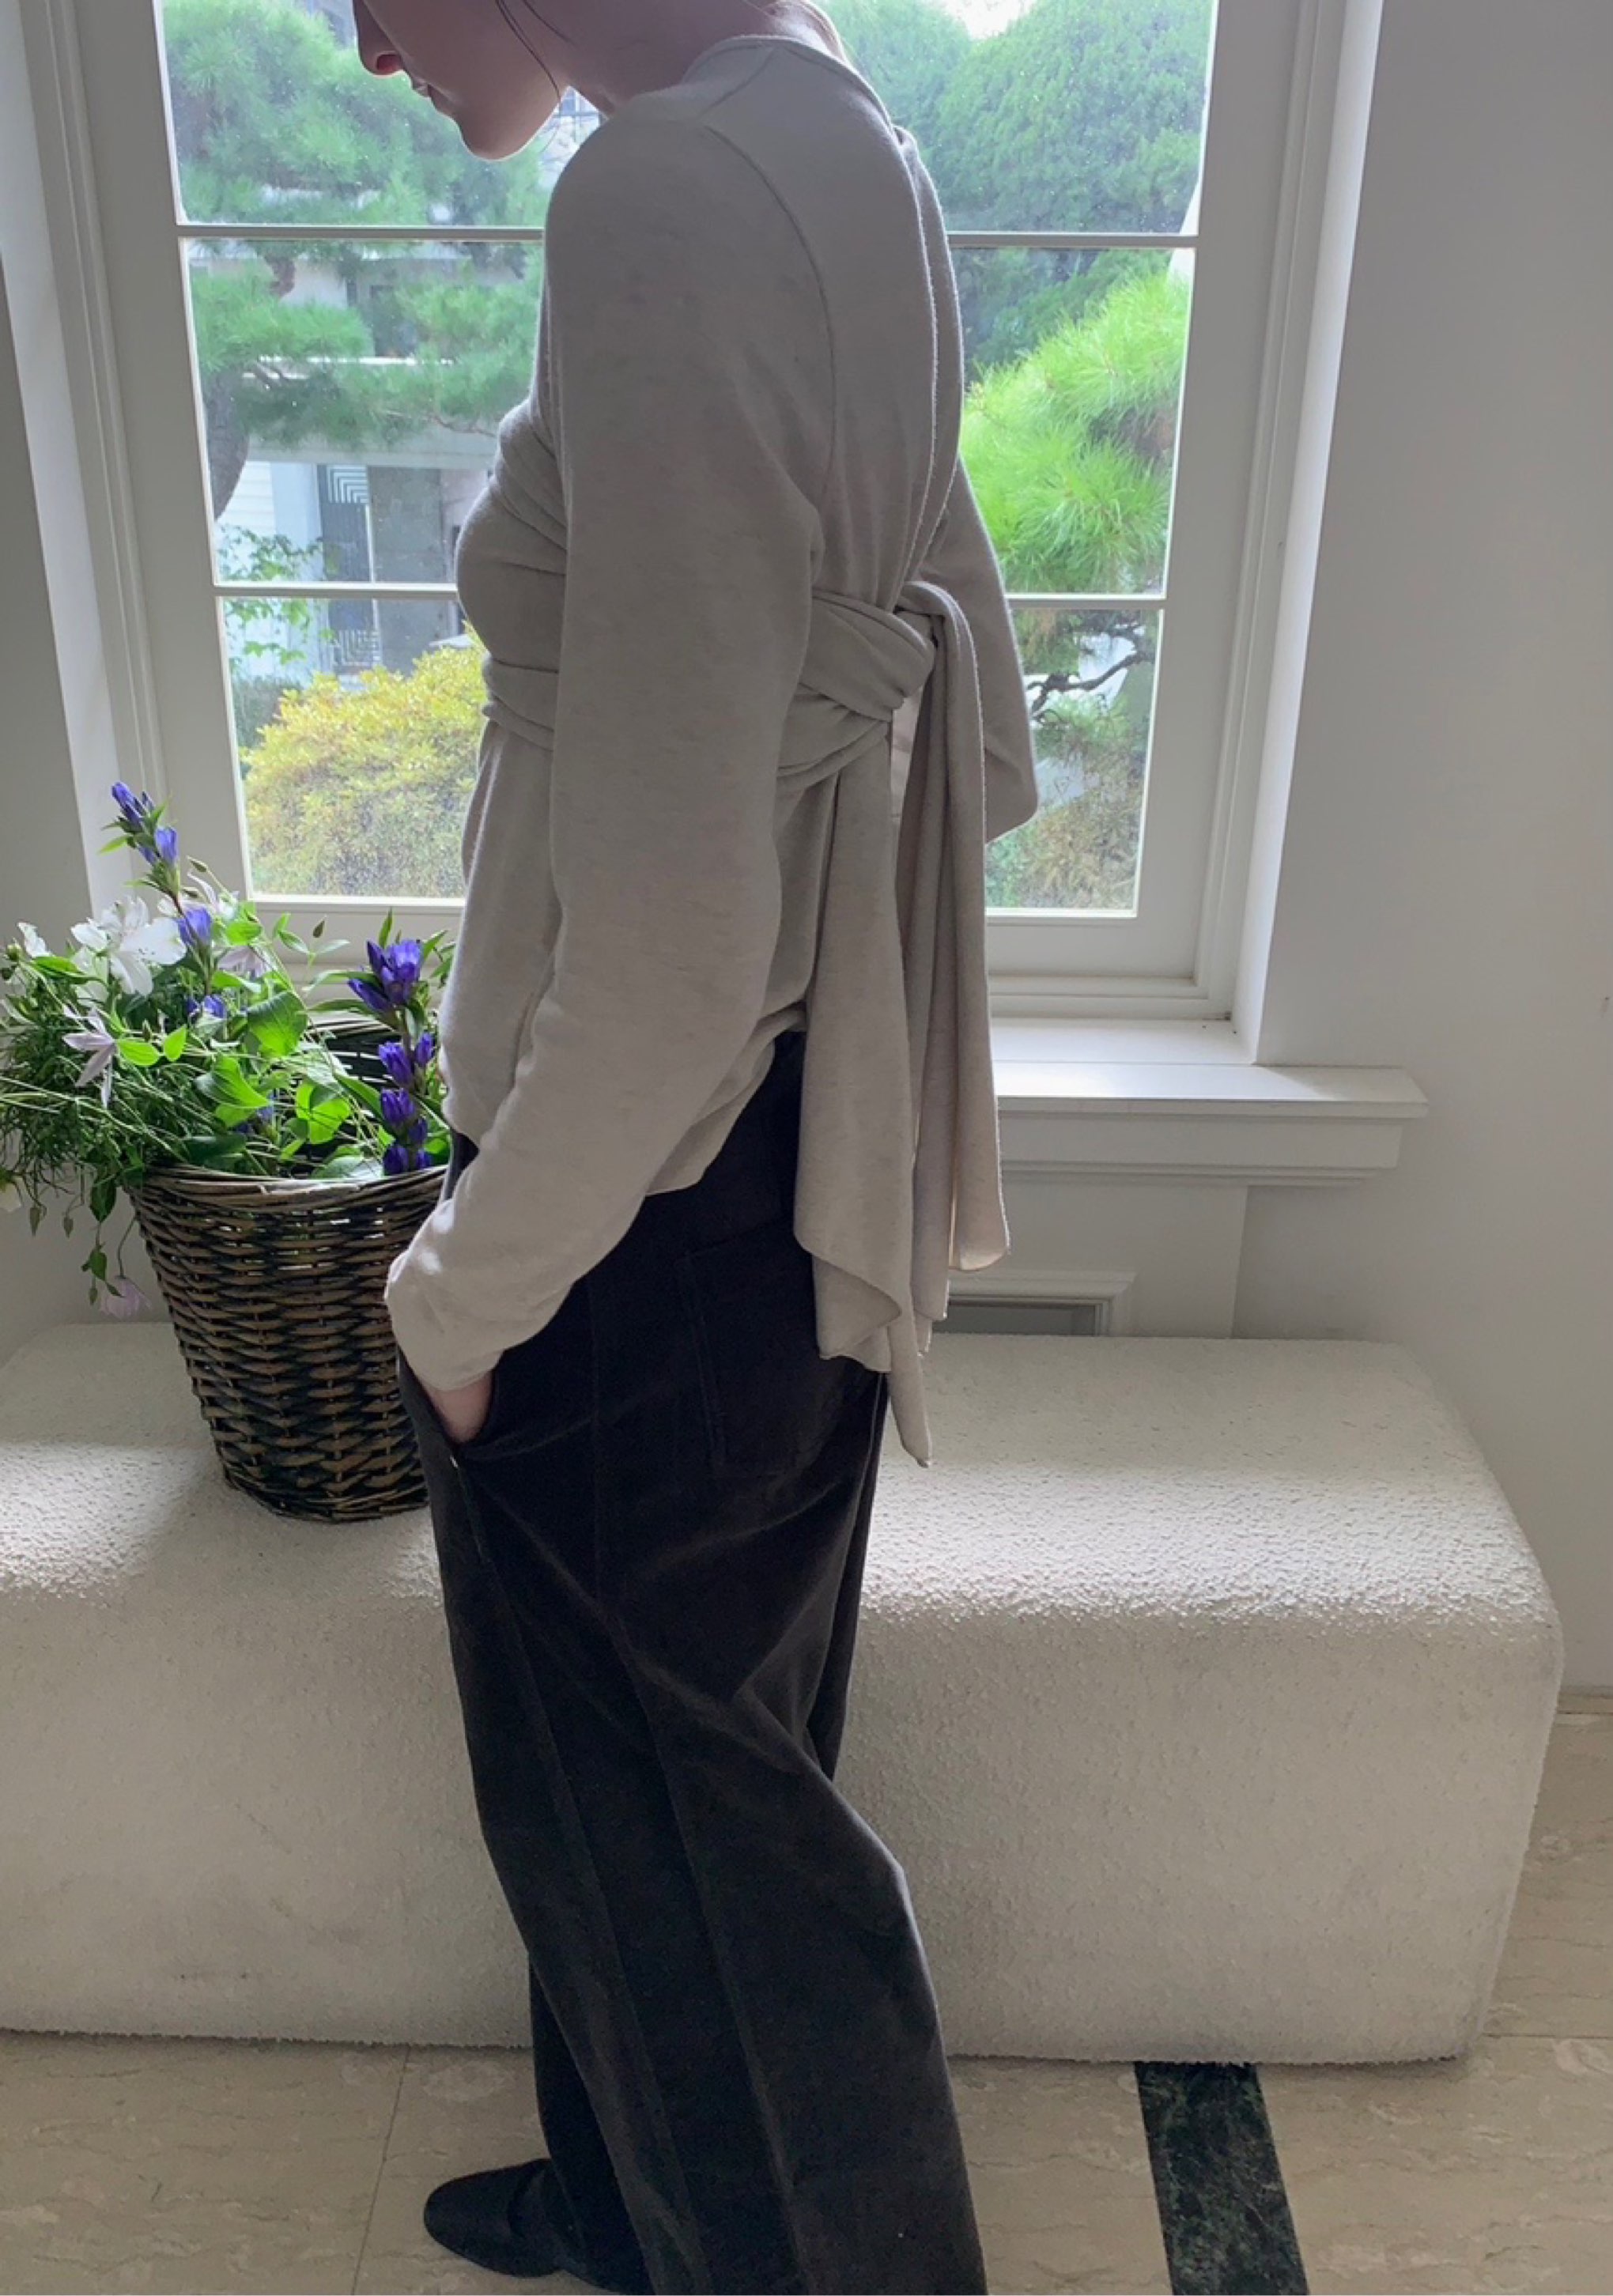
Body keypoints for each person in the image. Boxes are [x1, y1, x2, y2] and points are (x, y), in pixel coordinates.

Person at [356, 1, 1040, 2287]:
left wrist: (457, 1295)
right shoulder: (825, 116)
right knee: (639, 1813)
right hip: (776, 1141)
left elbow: (662, 942)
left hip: (642, 1201)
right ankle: (637, 2205)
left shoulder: (660, 190)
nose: (361, 48)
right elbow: (942, 650)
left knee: (717, 1866)